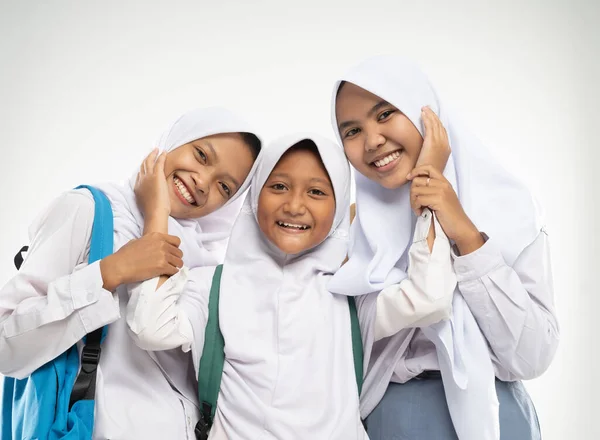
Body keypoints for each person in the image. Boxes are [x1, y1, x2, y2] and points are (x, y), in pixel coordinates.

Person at [330, 55, 558, 439]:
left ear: (426, 113)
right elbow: (343, 354)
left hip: (500, 416)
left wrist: (464, 232)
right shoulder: (349, 231)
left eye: (385, 114)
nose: (371, 141)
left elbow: (532, 355)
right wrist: (428, 200)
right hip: (392, 419)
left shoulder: (510, 211)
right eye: (351, 131)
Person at [0, 107, 261, 439]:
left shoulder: (208, 266)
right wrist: (110, 272)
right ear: (175, 139)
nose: (202, 181)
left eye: (225, 187)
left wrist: (158, 216)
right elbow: (4, 341)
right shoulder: (89, 211)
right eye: (201, 155)